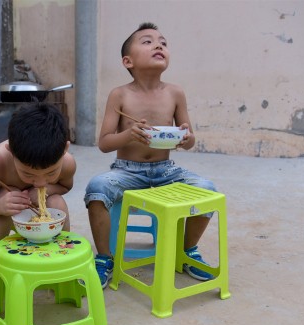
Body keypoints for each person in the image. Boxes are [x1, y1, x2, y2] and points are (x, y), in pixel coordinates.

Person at [84, 22, 217, 289]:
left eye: (163, 43)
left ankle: (187, 250)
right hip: (126, 171)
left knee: (207, 190)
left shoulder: (175, 93)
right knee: (96, 188)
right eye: (147, 41)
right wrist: (129, 134)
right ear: (127, 60)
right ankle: (104, 258)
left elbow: (189, 139)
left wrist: (186, 138)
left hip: (166, 170)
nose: (158, 45)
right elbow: (104, 143)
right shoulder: (119, 94)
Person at [0, 103, 76, 325]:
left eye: (50, 172)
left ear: (65, 149)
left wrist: (46, 189)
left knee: (57, 205)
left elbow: (64, 186)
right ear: (12, 151)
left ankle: (61, 265)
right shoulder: (1, 158)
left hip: (25, 198)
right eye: (29, 174)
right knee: (5, 208)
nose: (41, 181)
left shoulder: (67, 163)